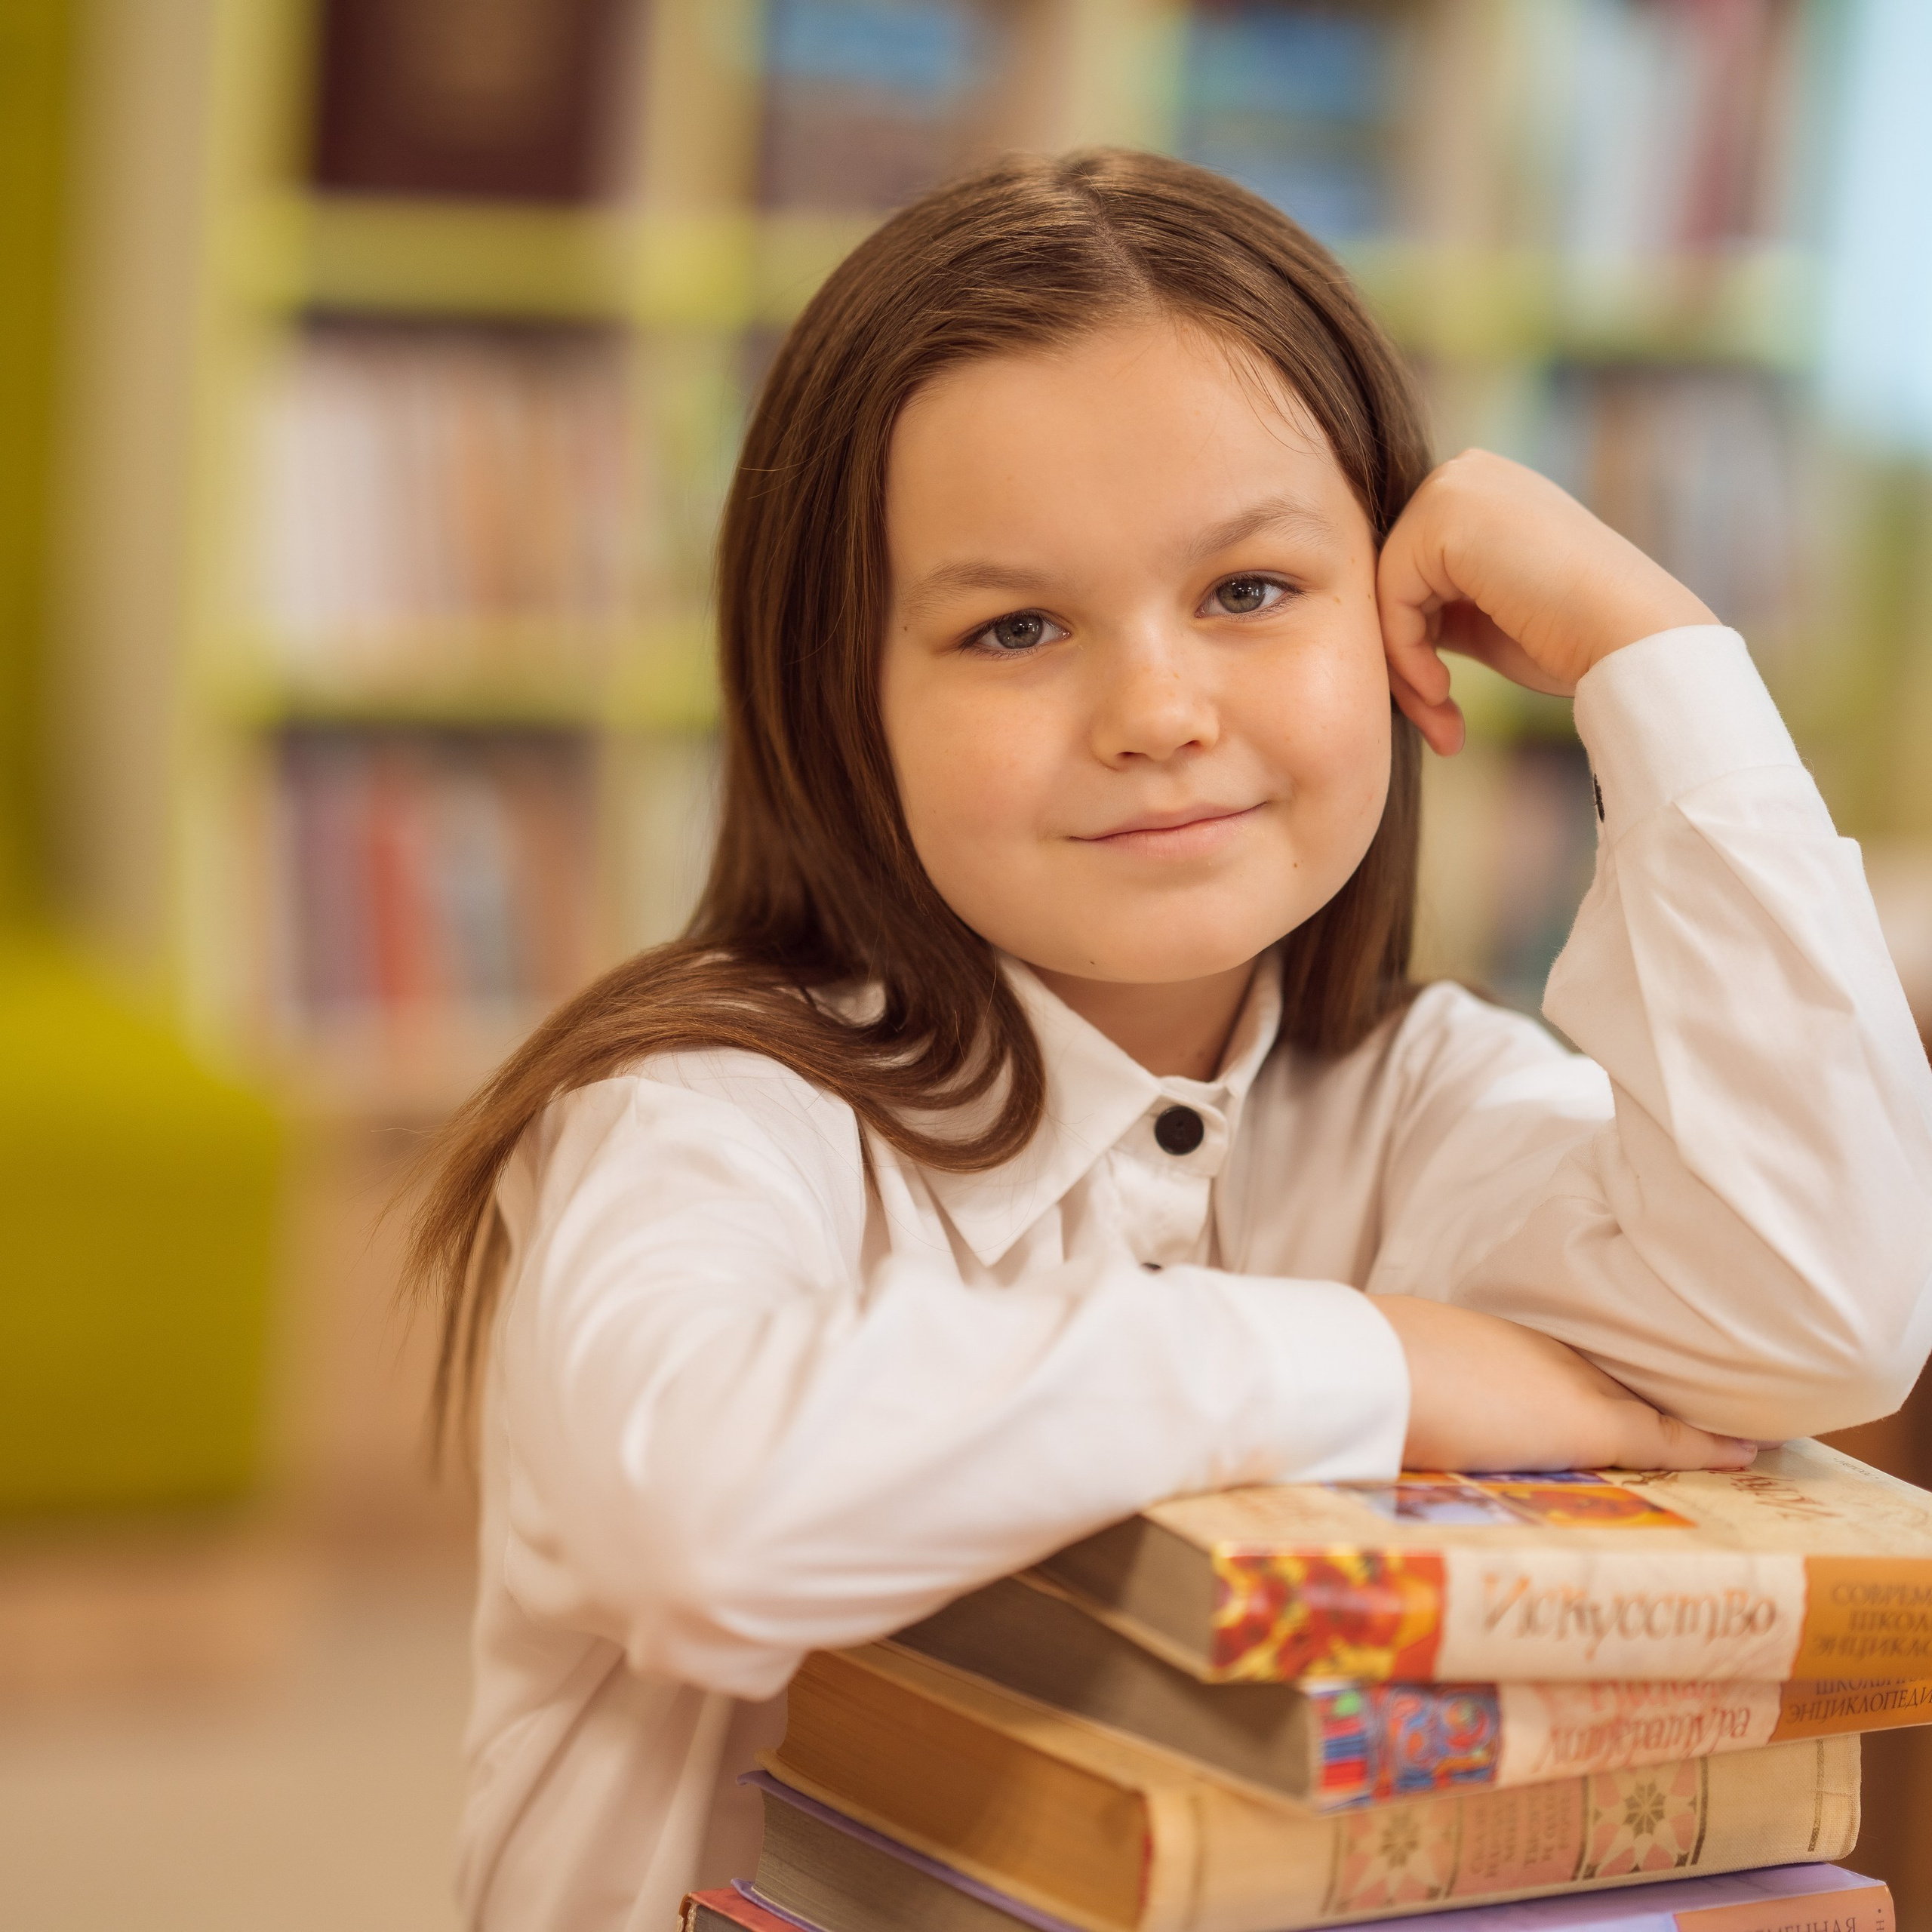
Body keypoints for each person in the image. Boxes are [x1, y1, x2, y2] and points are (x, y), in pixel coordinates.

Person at [411, 151, 1932, 1930]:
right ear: (843, 697)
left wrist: (1653, 656)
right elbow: (701, 1510)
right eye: (1015, 625)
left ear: (1398, 617)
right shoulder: (695, 1114)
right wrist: (1377, 1359)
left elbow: (1821, 1319)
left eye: (1248, 591)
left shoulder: (1419, 1097)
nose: (1154, 710)